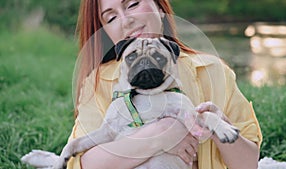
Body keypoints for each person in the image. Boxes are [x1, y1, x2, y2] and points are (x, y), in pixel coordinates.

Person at [66, 0, 262, 169]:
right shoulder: (98, 83)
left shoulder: (212, 71)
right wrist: (159, 135)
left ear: (160, 7)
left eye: (133, 4)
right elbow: (81, 163)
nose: (126, 21)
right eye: (111, 18)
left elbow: (248, 164)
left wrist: (216, 126)